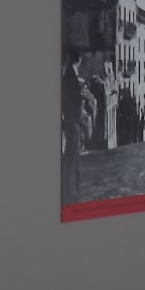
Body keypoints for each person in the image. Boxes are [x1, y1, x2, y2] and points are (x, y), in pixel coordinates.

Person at [60, 54, 84, 204]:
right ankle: (70, 192)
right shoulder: (71, 77)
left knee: (73, 158)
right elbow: (74, 101)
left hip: (70, 121)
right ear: (79, 60)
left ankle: (72, 190)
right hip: (73, 122)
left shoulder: (68, 76)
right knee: (72, 158)